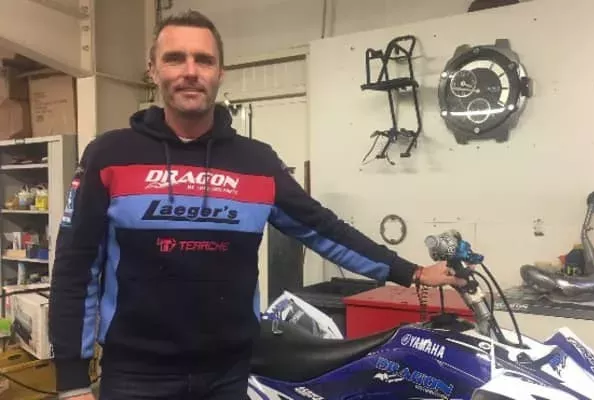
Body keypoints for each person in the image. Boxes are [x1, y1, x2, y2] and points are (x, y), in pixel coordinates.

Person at [48, 9, 465, 400]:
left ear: (220, 73)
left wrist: (410, 272)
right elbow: (75, 268)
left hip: (230, 373)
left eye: (204, 60)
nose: (190, 71)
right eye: (175, 58)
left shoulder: (257, 162)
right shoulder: (110, 155)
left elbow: (323, 229)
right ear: (153, 70)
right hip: (136, 377)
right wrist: (71, 380)